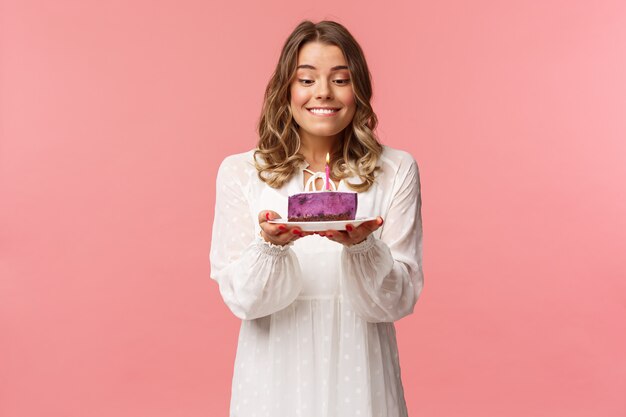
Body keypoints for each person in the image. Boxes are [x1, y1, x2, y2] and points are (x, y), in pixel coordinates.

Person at [209, 19, 424, 417]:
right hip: (274, 375)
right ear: (285, 89)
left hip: (361, 371)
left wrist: (363, 246)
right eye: (306, 80)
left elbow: (396, 300)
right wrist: (269, 248)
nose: (322, 92)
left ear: (358, 88)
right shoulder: (241, 172)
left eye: (340, 79)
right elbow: (243, 301)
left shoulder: (395, 170)